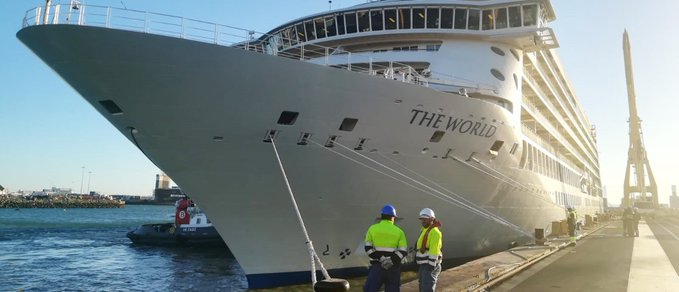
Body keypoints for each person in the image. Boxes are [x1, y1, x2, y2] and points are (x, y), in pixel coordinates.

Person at [364, 204, 408, 292]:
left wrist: (381, 258)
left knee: (370, 289)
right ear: (393, 217)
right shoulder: (399, 232)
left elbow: (368, 248)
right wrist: (391, 261)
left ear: (381, 216)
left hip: (377, 266)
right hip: (393, 268)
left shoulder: (372, 229)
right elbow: (403, 251)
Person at [415, 208, 442, 292]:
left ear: (432, 219)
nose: (423, 221)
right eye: (422, 219)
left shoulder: (435, 232)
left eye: (425, 219)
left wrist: (431, 265)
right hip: (424, 264)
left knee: (427, 288)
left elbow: (434, 249)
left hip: (430, 265)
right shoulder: (425, 230)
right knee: (423, 286)